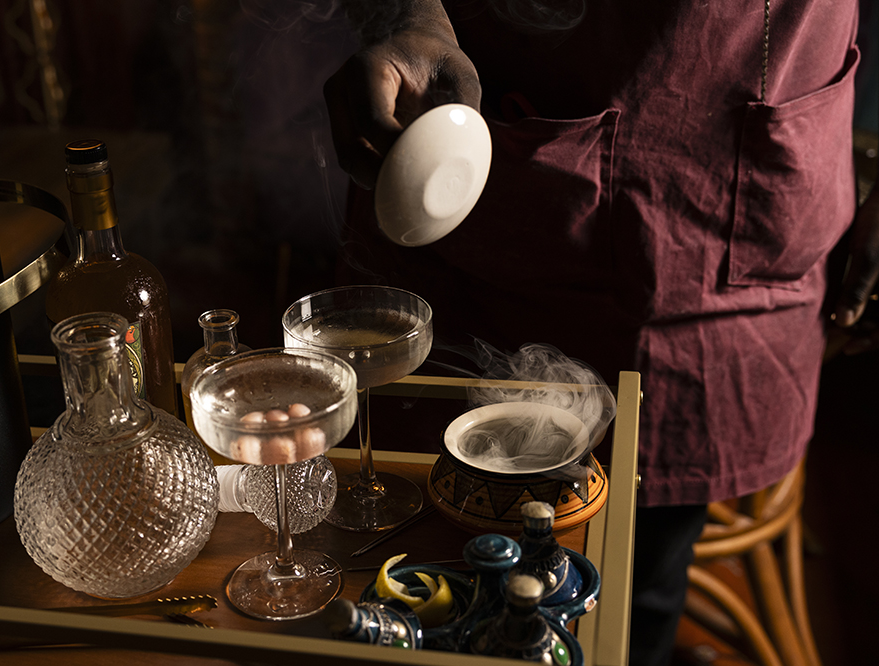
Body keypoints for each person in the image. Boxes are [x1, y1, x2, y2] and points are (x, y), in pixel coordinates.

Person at [322, 1, 878, 664]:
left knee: (632, 596)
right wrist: (405, 16)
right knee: (416, 557)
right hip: (482, 170)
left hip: (737, 195)